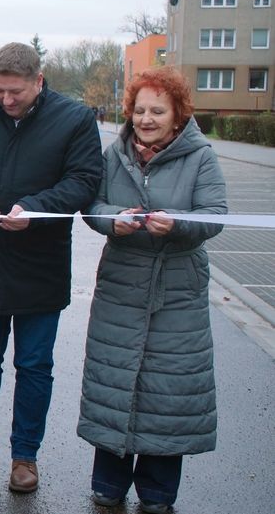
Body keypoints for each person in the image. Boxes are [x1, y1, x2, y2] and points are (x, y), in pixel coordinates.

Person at [0, 42, 102, 492]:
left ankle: (25, 455)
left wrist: (37, 208)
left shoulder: (74, 119)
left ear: (39, 81)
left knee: (34, 365)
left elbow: (85, 180)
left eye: (16, 92)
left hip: (41, 263)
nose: (6, 100)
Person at [78, 66, 226, 513]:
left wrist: (177, 225)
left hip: (177, 289)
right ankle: (108, 483)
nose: (146, 118)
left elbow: (215, 214)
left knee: (169, 390)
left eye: (157, 110)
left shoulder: (201, 156)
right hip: (121, 282)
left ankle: (158, 492)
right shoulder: (113, 153)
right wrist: (112, 219)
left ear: (177, 114)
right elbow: (91, 205)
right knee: (114, 378)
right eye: (140, 109)